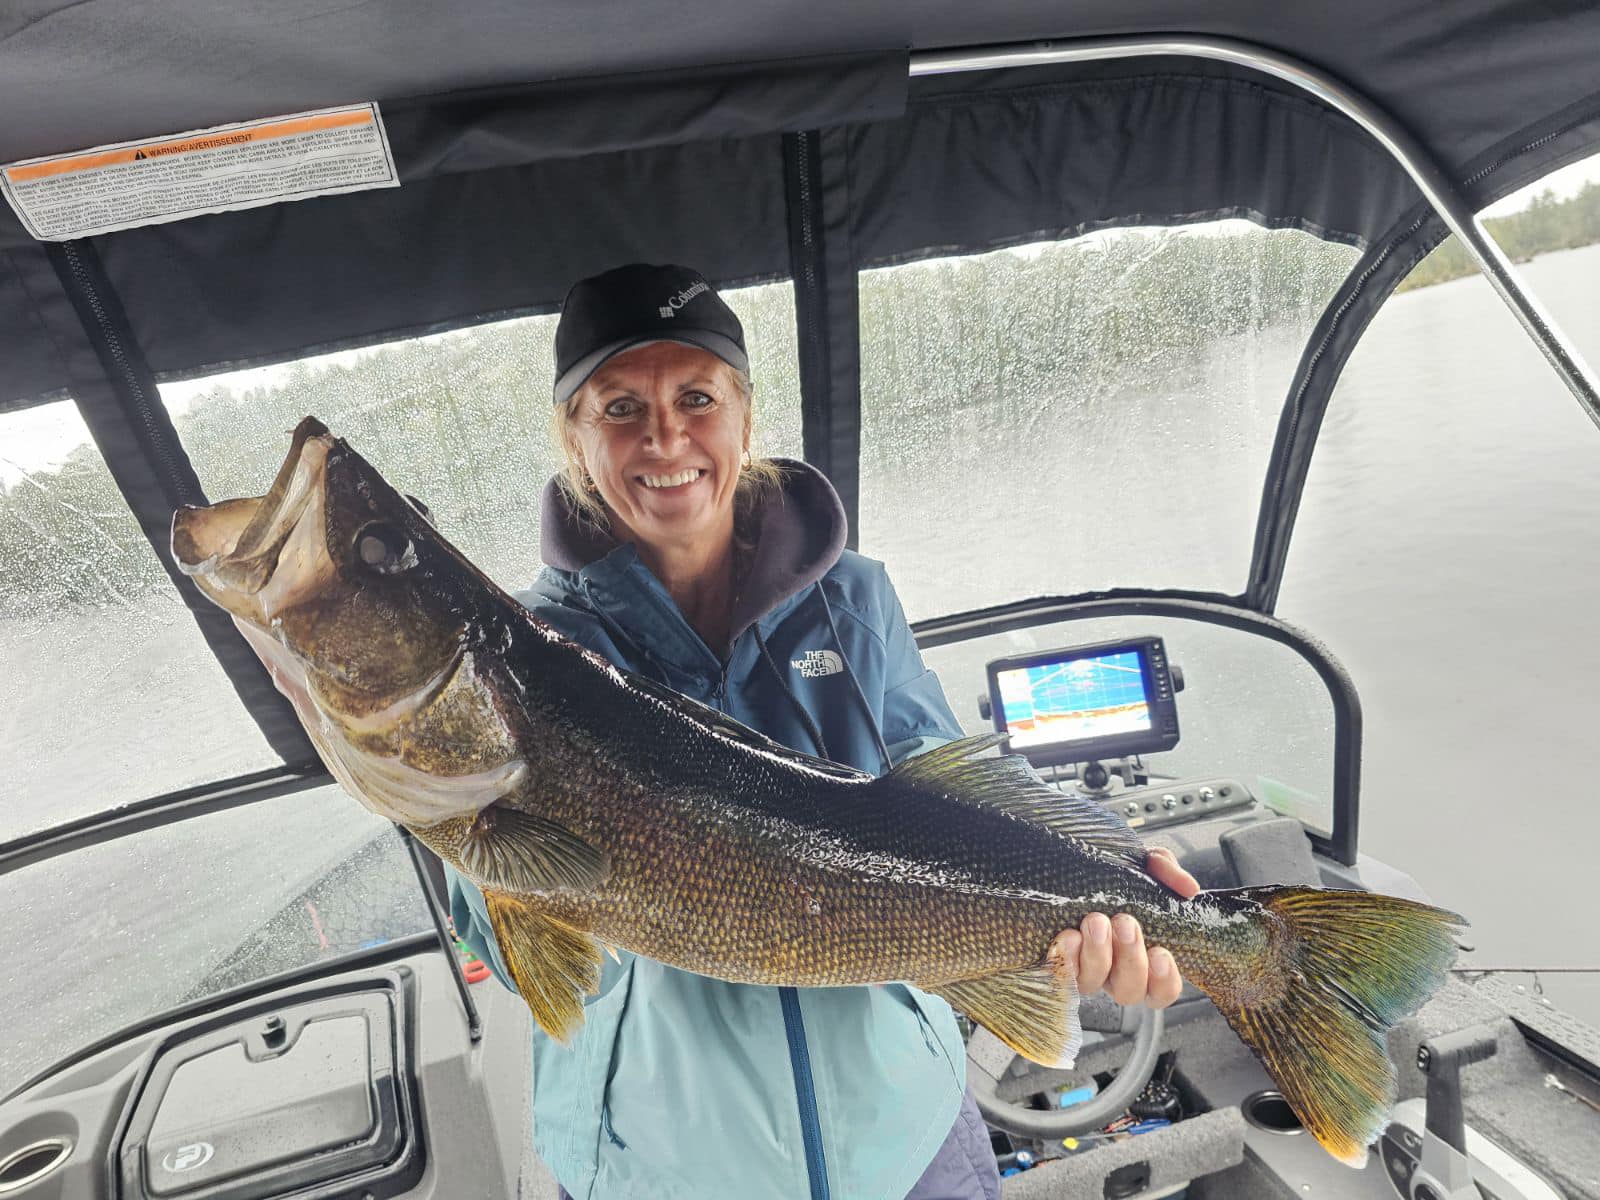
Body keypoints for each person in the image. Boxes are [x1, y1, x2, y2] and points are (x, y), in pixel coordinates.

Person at [446, 263, 1201, 1200]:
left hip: (903, 1135)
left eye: (695, 397)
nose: (666, 437)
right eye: (619, 408)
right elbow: (538, 964)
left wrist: (1110, 863)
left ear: (744, 416)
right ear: (574, 435)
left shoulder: (855, 596)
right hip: (658, 1166)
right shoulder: (524, 656)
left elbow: (941, 777)